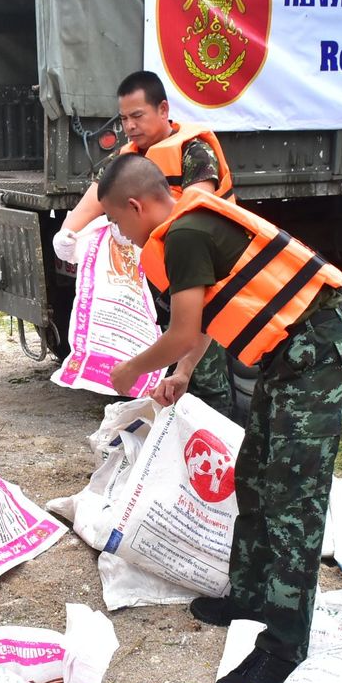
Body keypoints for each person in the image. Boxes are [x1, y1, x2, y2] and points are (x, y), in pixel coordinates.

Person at [101, 154, 342, 683]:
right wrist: (182, 373)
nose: (120, 234)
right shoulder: (190, 228)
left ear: (135, 205)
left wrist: (130, 368)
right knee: (254, 476)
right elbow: (205, 327)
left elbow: (180, 328)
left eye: (117, 222)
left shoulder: (184, 236)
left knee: (294, 500)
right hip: (288, 356)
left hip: (316, 355)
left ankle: (285, 647)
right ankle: (249, 594)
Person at [56, 70, 241, 421]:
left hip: (198, 265)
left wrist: (151, 233)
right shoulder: (128, 157)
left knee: (203, 368)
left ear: (163, 109)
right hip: (154, 274)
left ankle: (219, 432)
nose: (129, 126)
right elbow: (100, 192)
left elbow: (194, 208)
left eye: (137, 116)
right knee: (167, 361)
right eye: (124, 118)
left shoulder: (194, 151)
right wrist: (68, 232)